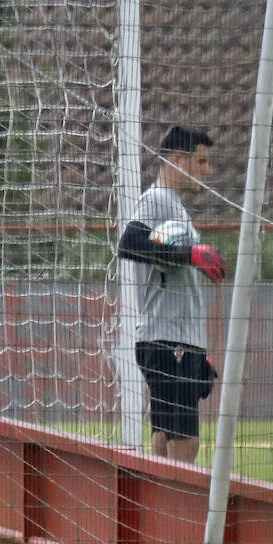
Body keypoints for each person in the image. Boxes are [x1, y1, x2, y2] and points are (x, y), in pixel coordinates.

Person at [117, 125, 226, 463]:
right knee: (185, 442)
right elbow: (128, 243)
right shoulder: (157, 199)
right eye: (202, 162)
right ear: (178, 159)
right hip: (170, 343)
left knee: (164, 436)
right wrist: (190, 255)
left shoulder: (172, 206)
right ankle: (179, 516)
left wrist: (197, 346)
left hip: (175, 341)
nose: (208, 171)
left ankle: (158, 512)